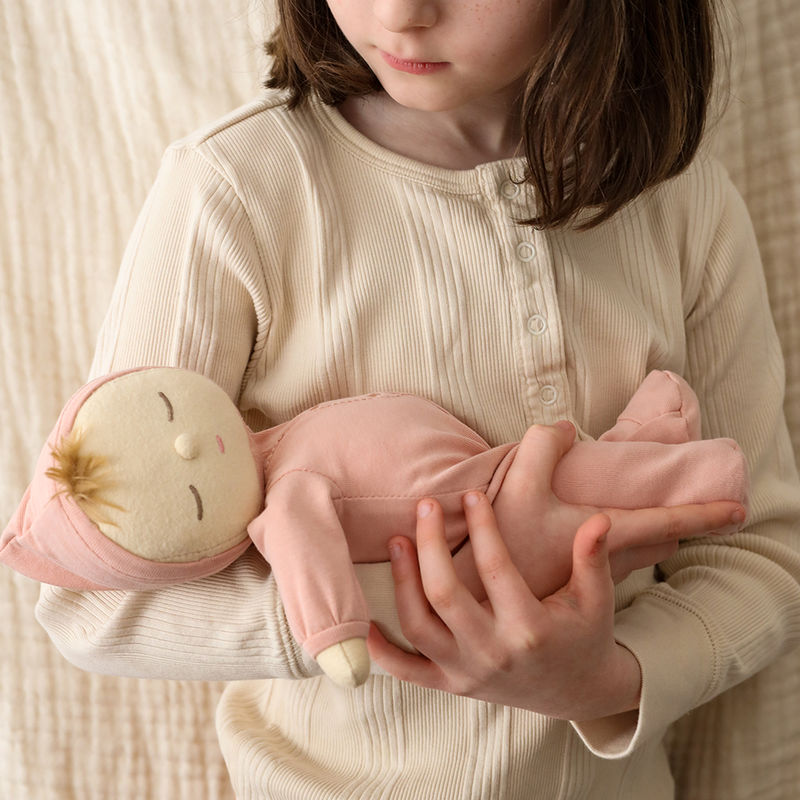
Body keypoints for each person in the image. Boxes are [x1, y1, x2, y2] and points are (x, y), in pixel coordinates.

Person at [32, 0, 800, 797]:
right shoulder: (238, 187)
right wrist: (447, 593)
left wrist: (603, 681)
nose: (400, 13)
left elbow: (763, 556)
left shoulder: (681, 203)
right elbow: (94, 603)